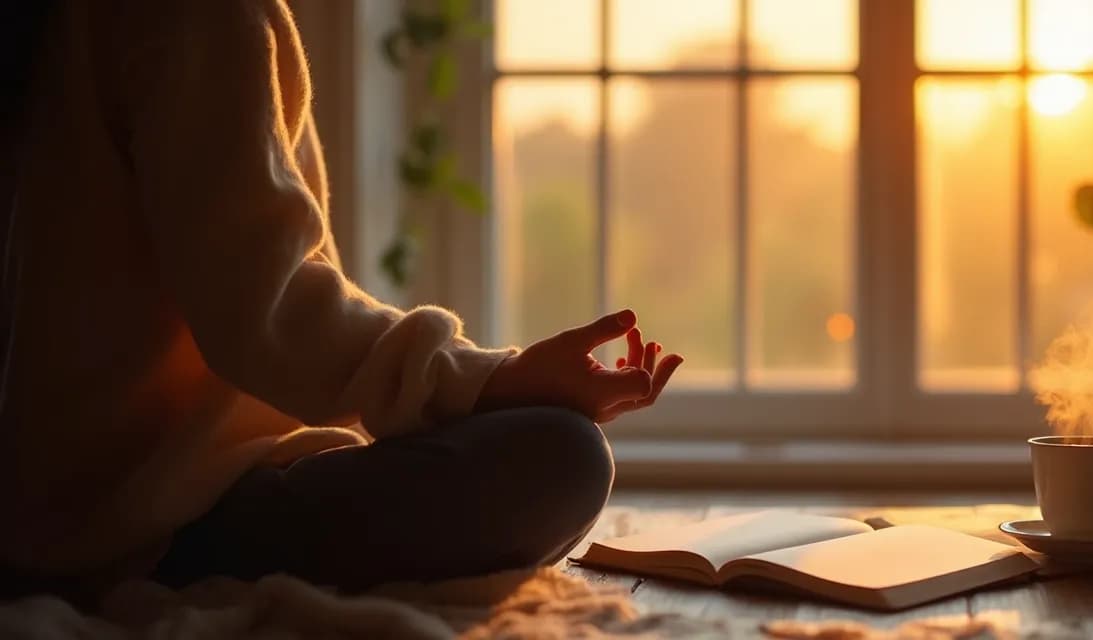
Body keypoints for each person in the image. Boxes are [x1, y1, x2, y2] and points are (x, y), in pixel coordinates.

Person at [0, 0, 683, 596]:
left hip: (74, 496)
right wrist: (493, 380)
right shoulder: (193, 14)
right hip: (147, 516)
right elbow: (268, 313)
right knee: (563, 457)